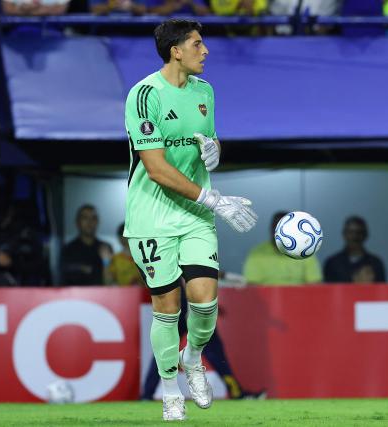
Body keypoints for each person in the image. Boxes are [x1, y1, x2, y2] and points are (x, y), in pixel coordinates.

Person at [123, 19, 257, 421]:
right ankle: (169, 392)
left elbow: (206, 139)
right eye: (197, 44)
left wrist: (214, 149)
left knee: (205, 300)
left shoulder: (204, 92)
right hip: (152, 216)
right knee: (166, 304)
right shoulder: (145, 95)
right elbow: (157, 169)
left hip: (196, 215)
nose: (206, 51)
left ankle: (193, 357)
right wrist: (214, 199)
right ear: (175, 50)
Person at [243, 211, 322, 285]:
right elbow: (252, 287)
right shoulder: (257, 253)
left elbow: (315, 285)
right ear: (271, 229)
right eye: (276, 228)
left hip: (299, 298)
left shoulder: (305, 251)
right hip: (266, 299)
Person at [60, 204, 113, 286]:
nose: (90, 222)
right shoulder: (68, 249)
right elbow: (64, 278)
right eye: (85, 218)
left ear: (97, 222)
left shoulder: (105, 247)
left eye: (93, 218)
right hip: (75, 297)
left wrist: (106, 263)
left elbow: (110, 282)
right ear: (77, 222)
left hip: (102, 297)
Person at [323, 216, 386, 283]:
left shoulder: (375, 263)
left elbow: (382, 291)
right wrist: (356, 282)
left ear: (365, 235)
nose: (354, 236)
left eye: (358, 232)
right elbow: (328, 291)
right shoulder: (333, 264)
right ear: (344, 234)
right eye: (351, 232)